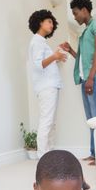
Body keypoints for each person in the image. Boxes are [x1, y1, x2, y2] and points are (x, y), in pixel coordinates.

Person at [60, 0, 96, 165]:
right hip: (86, 79)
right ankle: (95, 153)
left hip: (94, 78)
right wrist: (71, 50)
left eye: (75, 13)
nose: (74, 17)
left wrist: (91, 78)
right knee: (91, 120)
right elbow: (83, 59)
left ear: (84, 10)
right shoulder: (85, 31)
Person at [28, 9, 67, 159]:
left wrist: (57, 57)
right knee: (47, 121)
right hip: (46, 87)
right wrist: (55, 56)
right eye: (49, 21)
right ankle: (43, 157)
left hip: (51, 86)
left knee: (51, 122)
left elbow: (46, 63)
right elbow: (38, 64)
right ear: (40, 22)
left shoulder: (42, 42)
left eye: (52, 22)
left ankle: (49, 155)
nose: (52, 25)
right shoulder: (37, 41)